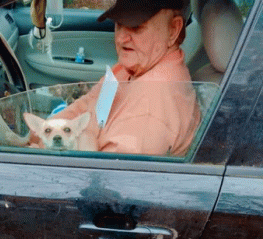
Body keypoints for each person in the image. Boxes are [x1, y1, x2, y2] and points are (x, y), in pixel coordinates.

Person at [51, 0, 201, 156]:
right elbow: (88, 102)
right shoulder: (133, 68)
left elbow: (102, 174)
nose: (120, 39)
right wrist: (43, 131)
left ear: (173, 30)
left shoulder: (149, 109)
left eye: (136, 27)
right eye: (119, 24)